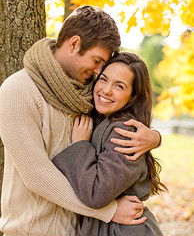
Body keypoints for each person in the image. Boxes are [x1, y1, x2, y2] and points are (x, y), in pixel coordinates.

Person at [0, 6, 160, 236]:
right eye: (97, 61)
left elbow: (119, 123)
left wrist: (154, 137)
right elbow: (36, 175)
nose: (98, 73)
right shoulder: (18, 90)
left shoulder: (88, 93)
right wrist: (108, 211)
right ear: (74, 44)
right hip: (32, 231)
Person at [52, 52, 167, 235]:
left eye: (119, 86)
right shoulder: (102, 120)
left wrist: (81, 144)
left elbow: (97, 194)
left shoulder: (125, 131)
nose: (106, 90)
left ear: (132, 97)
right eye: (103, 79)